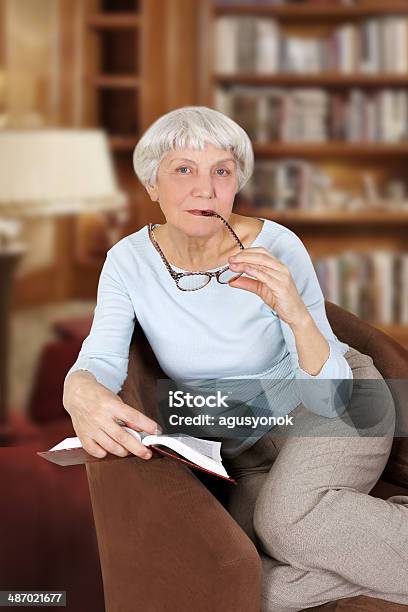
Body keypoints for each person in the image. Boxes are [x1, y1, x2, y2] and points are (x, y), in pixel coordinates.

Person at [63, 106, 408, 611]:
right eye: (183, 169)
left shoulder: (278, 245)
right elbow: (102, 355)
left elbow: (330, 393)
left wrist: (296, 315)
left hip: (341, 402)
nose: (205, 188)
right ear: (152, 185)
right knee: (241, 575)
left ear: (235, 184)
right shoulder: (128, 261)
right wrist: (79, 387)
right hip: (241, 442)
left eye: (221, 171)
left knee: (282, 527)